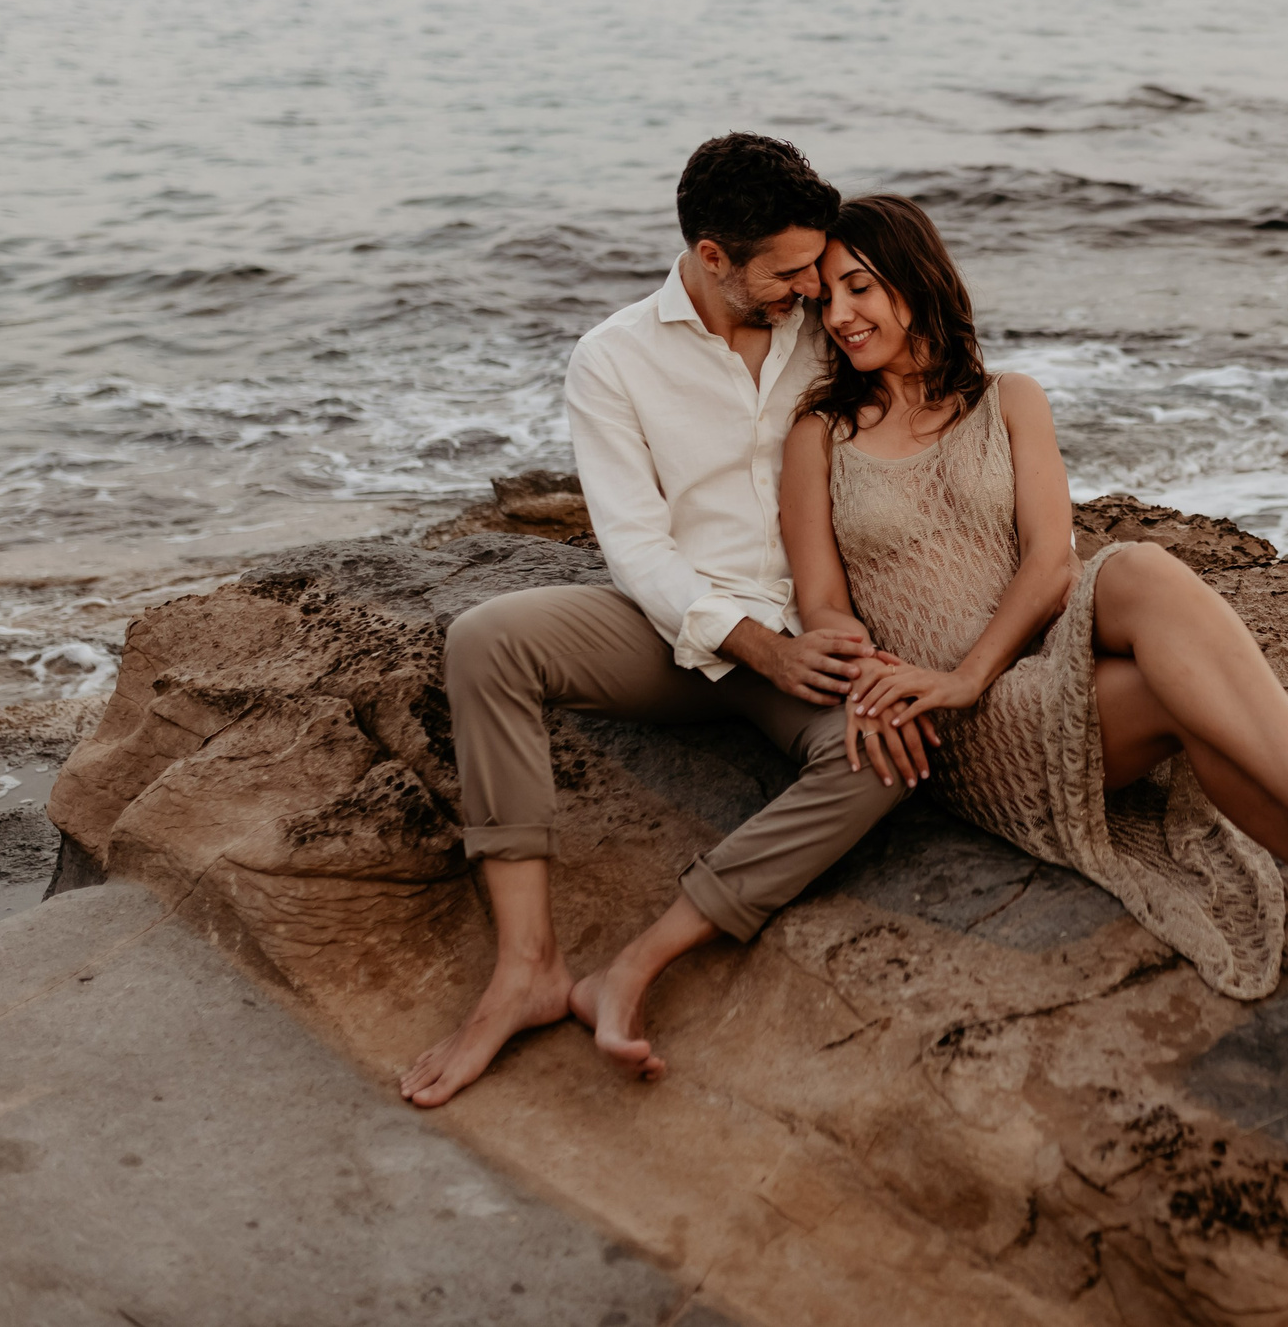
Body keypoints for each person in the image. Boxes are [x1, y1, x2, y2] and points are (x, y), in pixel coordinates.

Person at [572, 196, 1288, 1079]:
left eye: (860, 288)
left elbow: (1052, 563)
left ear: (918, 282)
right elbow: (823, 596)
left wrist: (980, 667)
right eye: (827, 296)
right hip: (956, 725)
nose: (837, 314)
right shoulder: (819, 430)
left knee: (1137, 570)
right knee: (1192, 707)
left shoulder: (1010, 398)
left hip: (1019, 668)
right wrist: (892, 678)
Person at [397, 134, 938, 1108]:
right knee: (487, 637)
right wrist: (758, 645)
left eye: (817, 263)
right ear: (712, 255)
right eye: (787, 269)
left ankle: (648, 953)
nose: (811, 285)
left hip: (819, 636)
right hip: (678, 635)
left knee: (884, 754)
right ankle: (526, 967)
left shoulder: (829, 324)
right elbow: (636, 549)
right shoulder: (611, 359)